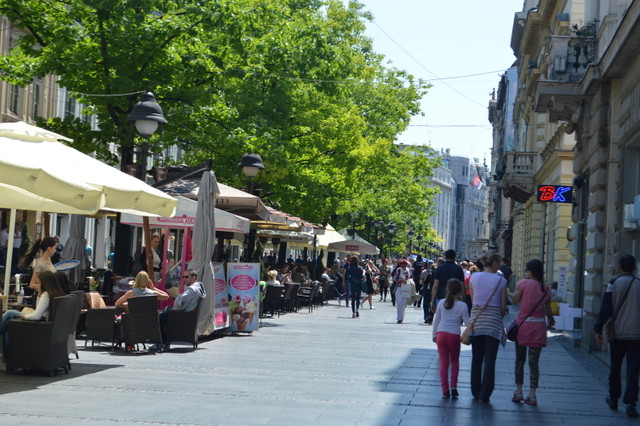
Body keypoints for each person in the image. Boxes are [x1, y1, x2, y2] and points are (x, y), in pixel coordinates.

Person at [594, 254, 640, 418]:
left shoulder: (614, 283)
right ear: (634, 267)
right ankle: (631, 403)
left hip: (618, 333)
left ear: (620, 267)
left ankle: (614, 397)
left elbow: (606, 308)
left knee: (615, 366)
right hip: (636, 334)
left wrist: (598, 329)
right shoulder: (639, 284)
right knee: (633, 370)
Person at [510, 259, 553, 406]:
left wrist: (510, 293)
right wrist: (551, 320)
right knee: (534, 363)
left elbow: (514, 301)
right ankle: (533, 394)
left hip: (523, 327)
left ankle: (519, 391)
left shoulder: (522, 284)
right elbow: (548, 311)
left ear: (530, 271)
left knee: (520, 360)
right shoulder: (546, 288)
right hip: (539, 328)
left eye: (527, 270)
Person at [469, 252, 508, 403]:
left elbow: (473, 300)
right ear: (494, 263)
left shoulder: (474, 277)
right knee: (490, 360)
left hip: (476, 321)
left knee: (476, 358)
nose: (500, 265)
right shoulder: (501, 281)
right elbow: (503, 307)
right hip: (493, 322)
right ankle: (485, 394)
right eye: (499, 263)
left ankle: (475, 391)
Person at [1, 271, 66, 360]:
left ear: (44, 284)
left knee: (10, 313)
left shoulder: (46, 295)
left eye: (39, 283)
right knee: (8, 324)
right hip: (46, 327)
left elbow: (36, 316)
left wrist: (24, 316)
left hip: (38, 327)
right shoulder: (56, 293)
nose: (37, 286)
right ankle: (8, 357)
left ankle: (9, 357)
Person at [432, 278, 470, 398]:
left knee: (443, 363)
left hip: (441, 335)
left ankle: (445, 390)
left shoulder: (441, 302)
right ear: (460, 291)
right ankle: (453, 386)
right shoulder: (462, 305)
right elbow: (467, 323)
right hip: (454, 336)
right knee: (454, 361)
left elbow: (436, 320)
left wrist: (434, 334)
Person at [159, 270, 206, 346]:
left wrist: (176, 296)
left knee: (160, 317)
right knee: (164, 312)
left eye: (186, 277)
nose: (184, 279)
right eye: (183, 277)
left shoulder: (191, 289)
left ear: (194, 278)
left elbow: (179, 302)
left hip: (183, 316)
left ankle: (162, 342)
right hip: (189, 315)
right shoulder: (199, 287)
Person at [430, 249, 464, 315]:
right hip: (455, 298)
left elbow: (436, 285)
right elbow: (462, 285)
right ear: (454, 257)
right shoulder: (459, 269)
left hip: (441, 296)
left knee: (440, 318)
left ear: (445, 257)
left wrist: (432, 301)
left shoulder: (440, 268)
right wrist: (464, 298)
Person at [393, 259, 411, 323]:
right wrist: (401, 281)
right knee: (399, 302)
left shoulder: (409, 270)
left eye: (405, 265)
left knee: (404, 303)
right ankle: (399, 318)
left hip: (406, 288)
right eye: (402, 265)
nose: (403, 267)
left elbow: (411, 278)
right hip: (399, 288)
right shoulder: (398, 270)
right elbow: (395, 278)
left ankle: (402, 317)